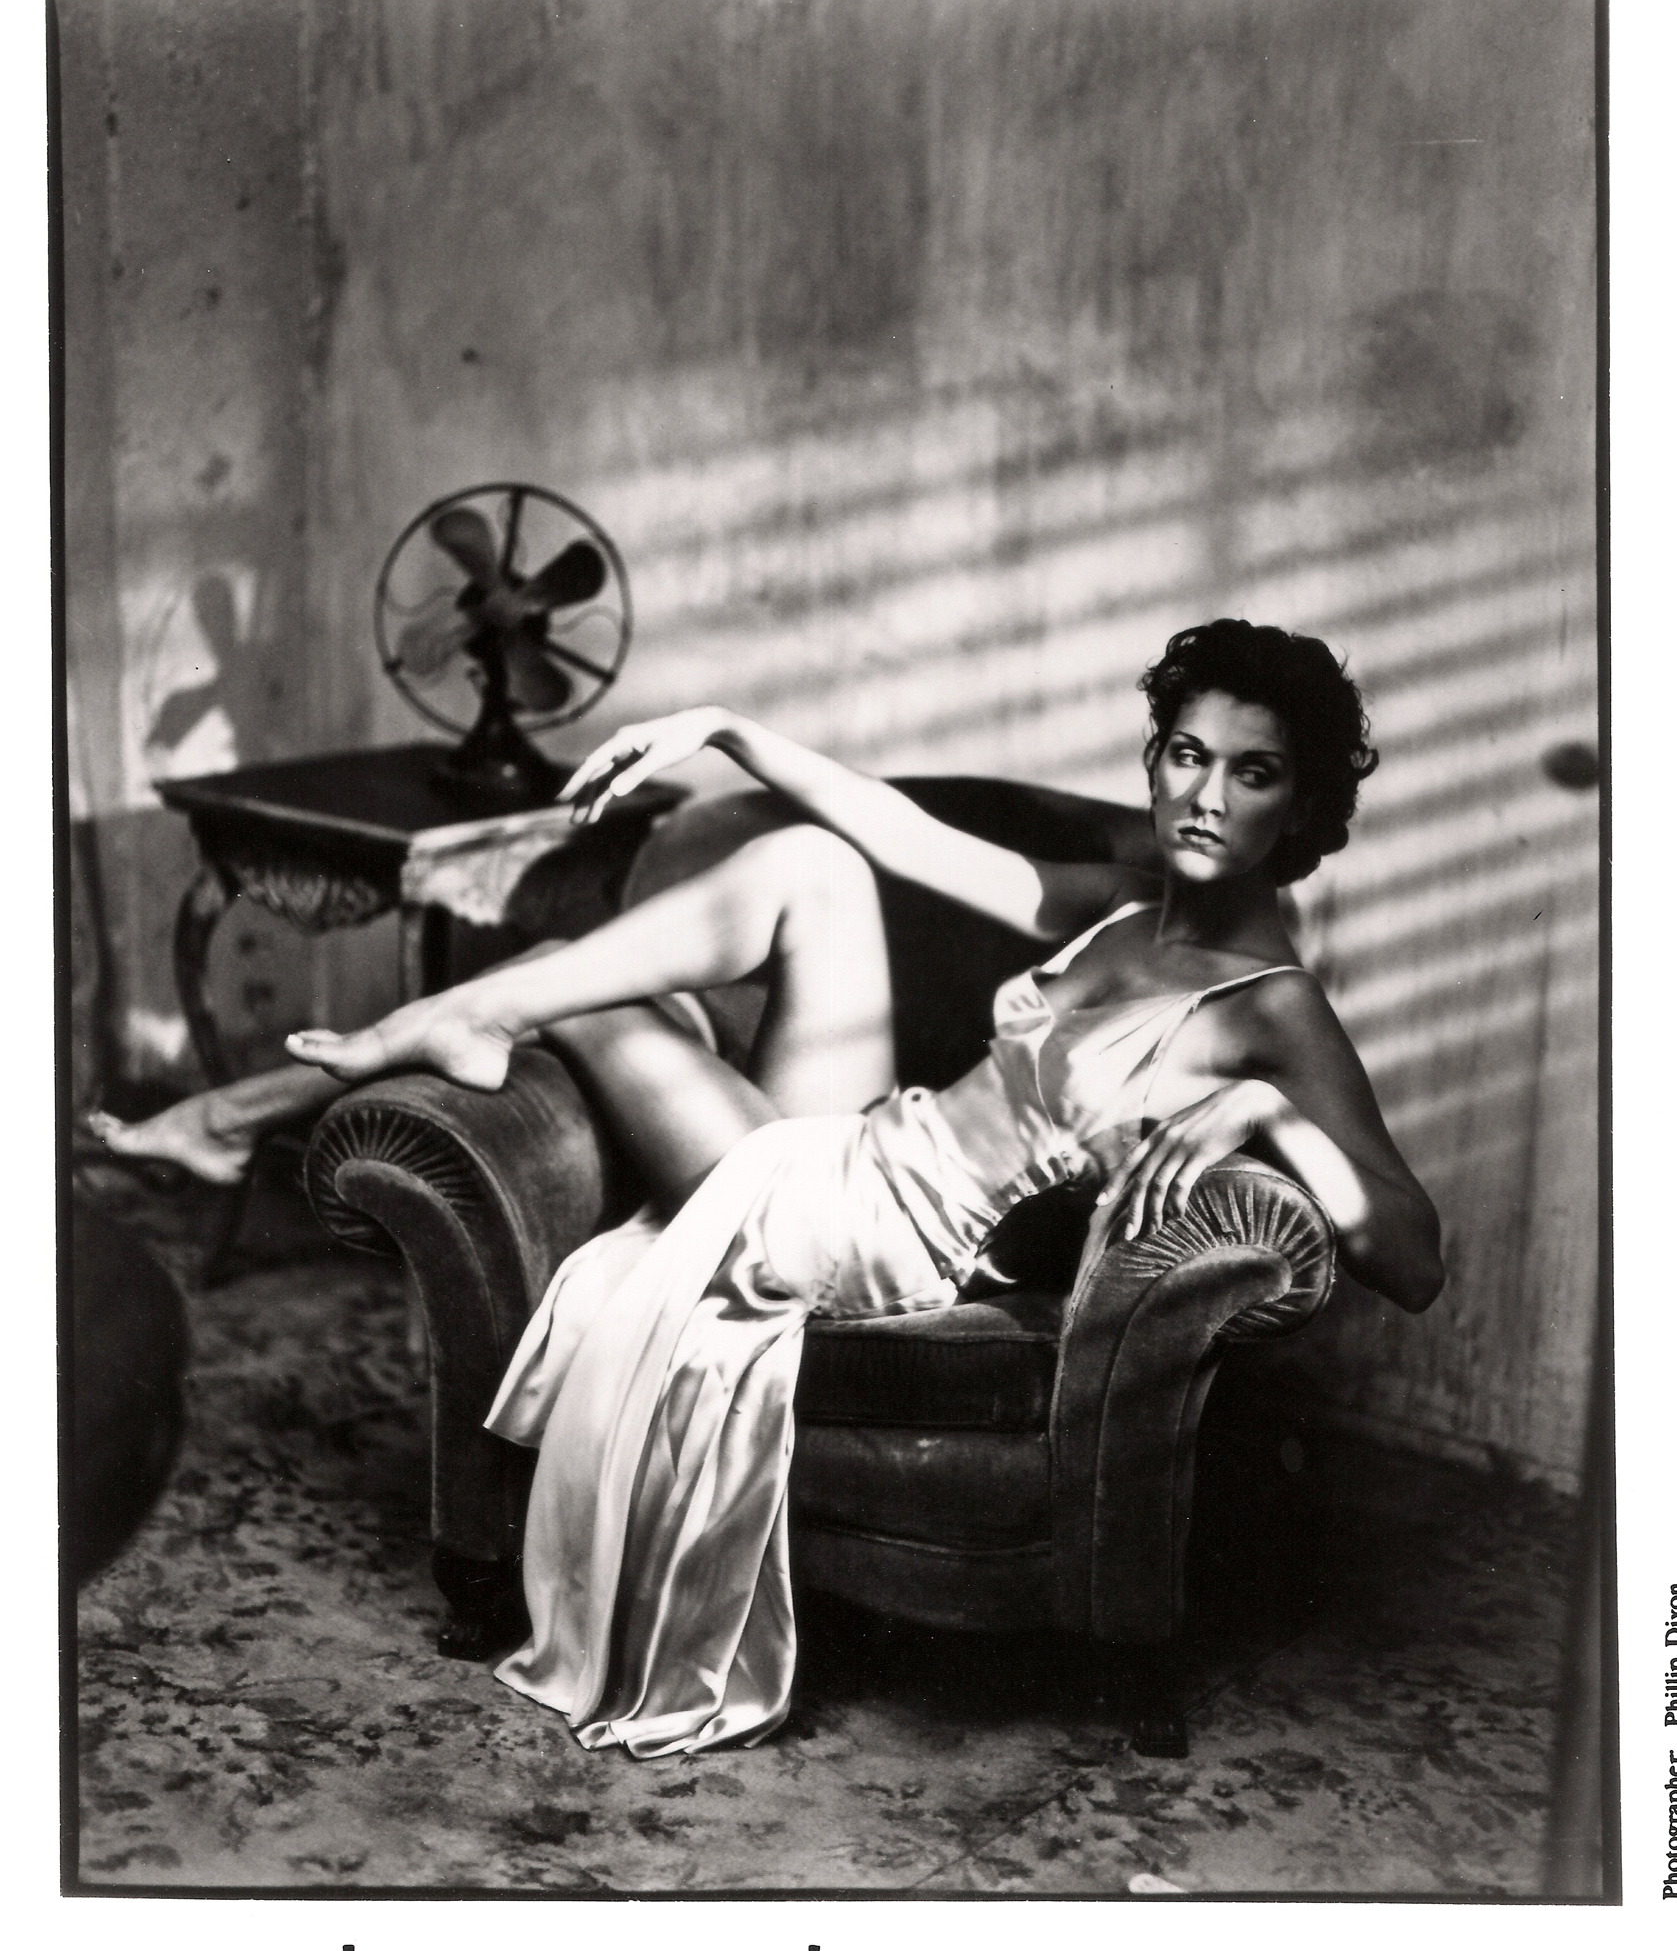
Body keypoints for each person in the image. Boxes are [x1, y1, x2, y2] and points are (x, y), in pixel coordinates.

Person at [99, 620, 1447, 1756]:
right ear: (1154, 762)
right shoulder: (1125, 900)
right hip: (867, 1139)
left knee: (591, 995)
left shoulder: (1272, 1006)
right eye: (1186, 755)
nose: (1206, 795)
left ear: (1300, 809)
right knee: (813, 865)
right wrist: (729, 729)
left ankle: (290, 1091)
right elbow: (902, 834)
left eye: (1252, 773)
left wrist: (1269, 1110)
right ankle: (358, 1067)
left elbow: (1412, 1252)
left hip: (873, 1235)